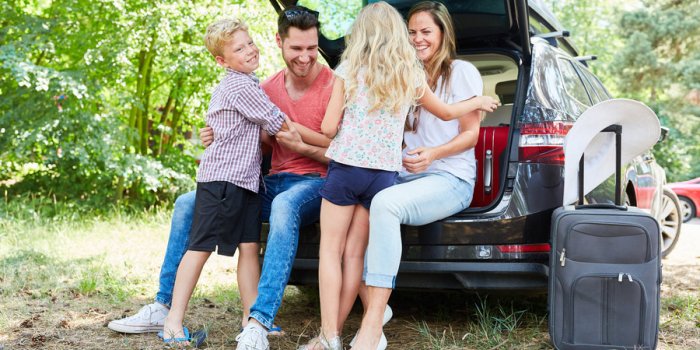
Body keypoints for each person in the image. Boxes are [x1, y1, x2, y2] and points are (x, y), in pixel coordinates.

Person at [308, 2, 499, 349]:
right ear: (400, 34)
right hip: (394, 173)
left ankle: (367, 327)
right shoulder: (403, 71)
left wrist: (433, 153)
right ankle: (351, 324)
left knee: (378, 210)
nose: (418, 38)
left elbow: (468, 134)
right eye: (412, 32)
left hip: (447, 176)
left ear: (444, 33)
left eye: (427, 31)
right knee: (355, 247)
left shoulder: (460, 72)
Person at [158, 17, 287, 345]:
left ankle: (251, 318)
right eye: (238, 48)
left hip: (245, 181)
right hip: (222, 182)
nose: (249, 50)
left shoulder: (248, 82)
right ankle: (172, 321)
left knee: (248, 247)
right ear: (222, 60)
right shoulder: (239, 85)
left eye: (250, 43)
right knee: (199, 247)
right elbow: (274, 121)